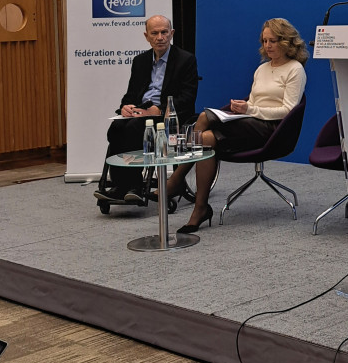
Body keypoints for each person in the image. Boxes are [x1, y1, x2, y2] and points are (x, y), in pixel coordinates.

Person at [165, 18, 308, 233]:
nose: (267, 46)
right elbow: (255, 102)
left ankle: (177, 180)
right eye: (264, 40)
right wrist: (244, 107)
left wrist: (251, 110)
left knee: (203, 124)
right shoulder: (261, 69)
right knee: (204, 132)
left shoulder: (295, 69)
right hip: (249, 123)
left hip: (272, 130)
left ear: (287, 42)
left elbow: (288, 110)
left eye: (273, 41)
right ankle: (199, 207)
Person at [96, 14, 199, 205]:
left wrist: (159, 110)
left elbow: (188, 97)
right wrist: (125, 107)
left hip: (168, 116)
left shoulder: (186, 60)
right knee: (117, 128)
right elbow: (131, 94)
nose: (160, 37)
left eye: (164, 32)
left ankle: (133, 185)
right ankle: (121, 185)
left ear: (171, 33)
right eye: (155, 33)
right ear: (147, 36)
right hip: (141, 112)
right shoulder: (140, 61)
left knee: (134, 128)